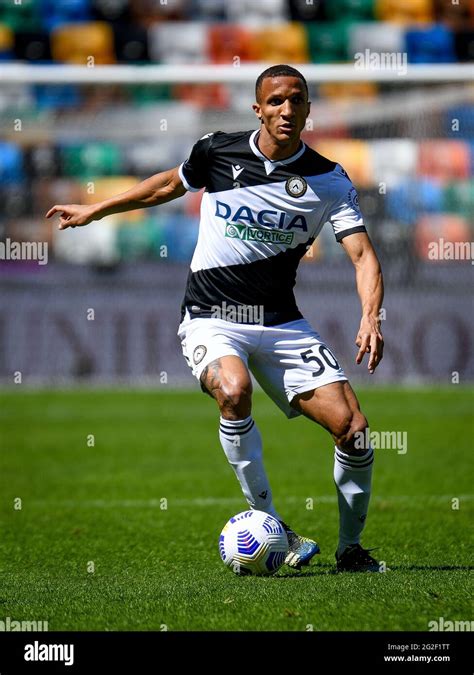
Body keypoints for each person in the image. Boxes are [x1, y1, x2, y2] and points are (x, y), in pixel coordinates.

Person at [46, 64, 384, 572]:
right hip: (212, 315)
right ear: (258, 109)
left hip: (280, 321)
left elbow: (362, 256)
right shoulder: (217, 151)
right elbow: (166, 186)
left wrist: (370, 317)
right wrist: (97, 209)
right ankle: (273, 525)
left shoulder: (329, 180)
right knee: (232, 389)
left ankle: (350, 550)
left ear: (309, 108)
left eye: (296, 100)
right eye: (275, 101)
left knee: (353, 429)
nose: (286, 110)